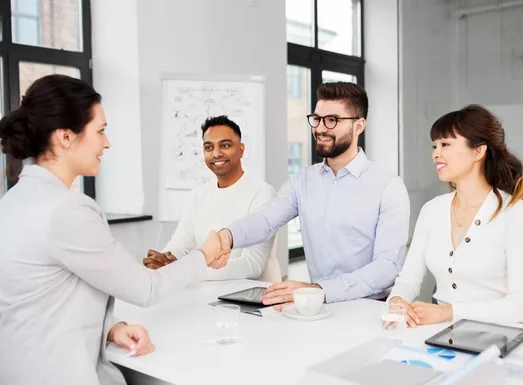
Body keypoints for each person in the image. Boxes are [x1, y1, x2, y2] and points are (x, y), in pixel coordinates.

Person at [0, 75, 226, 385]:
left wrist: (110, 328)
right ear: (66, 137)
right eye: (100, 131)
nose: (106, 143)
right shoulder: (66, 211)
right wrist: (206, 253)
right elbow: (148, 289)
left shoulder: (14, 200)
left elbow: (42, 300)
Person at [218, 82, 410, 309]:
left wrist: (319, 290)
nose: (320, 128)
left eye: (332, 120)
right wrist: (227, 237)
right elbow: (267, 219)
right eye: (317, 119)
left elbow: (387, 267)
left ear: (359, 125)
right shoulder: (302, 180)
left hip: (369, 310)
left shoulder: (388, 187)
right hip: (316, 307)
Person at [387, 104, 523, 327]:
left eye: (446, 144)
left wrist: (449, 312)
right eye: (435, 146)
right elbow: (409, 278)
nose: (435, 154)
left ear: (479, 151)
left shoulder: (514, 212)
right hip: (438, 333)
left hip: (497, 337)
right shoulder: (432, 210)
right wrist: (398, 300)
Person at [143, 115, 278, 281]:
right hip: (204, 292)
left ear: (241, 150)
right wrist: (165, 260)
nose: (216, 153)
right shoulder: (197, 195)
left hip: (250, 298)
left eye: (225, 145)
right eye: (208, 148)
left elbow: (253, 264)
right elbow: (180, 246)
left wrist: (190, 270)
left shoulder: (263, 193)